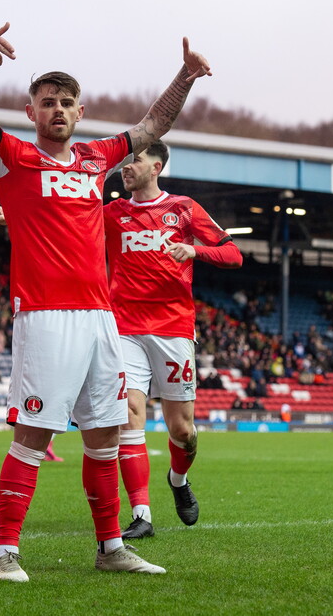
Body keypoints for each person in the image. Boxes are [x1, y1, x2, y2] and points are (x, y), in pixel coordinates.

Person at [0, 22, 211, 581]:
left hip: (102, 318)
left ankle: (111, 546)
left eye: (67, 103)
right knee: (35, 436)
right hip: (46, 317)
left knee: (105, 435)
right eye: (47, 102)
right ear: (30, 112)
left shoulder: (99, 160)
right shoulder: (13, 160)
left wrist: (186, 76)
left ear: (79, 112)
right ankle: (6, 551)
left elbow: (153, 125)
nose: (58, 110)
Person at [102, 140, 242, 539]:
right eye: (126, 162)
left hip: (173, 327)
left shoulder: (184, 208)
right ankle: (141, 514)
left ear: (156, 167)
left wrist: (195, 251)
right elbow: (65, 220)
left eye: (136, 160)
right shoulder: (113, 212)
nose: (127, 167)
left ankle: (178, 481)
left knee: (182, 430)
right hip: (124, 326)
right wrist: (13, 214)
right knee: (129, 415)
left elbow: (234, 254)